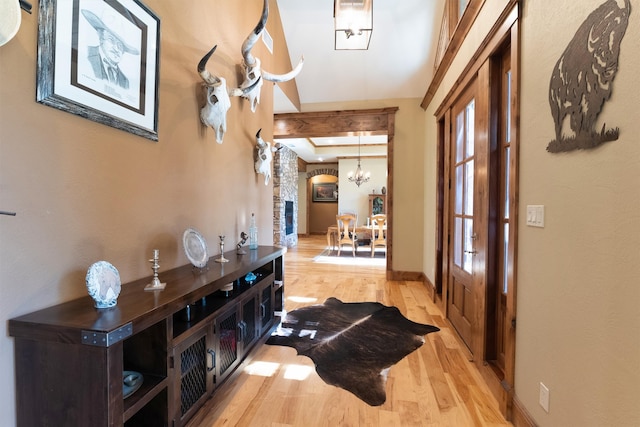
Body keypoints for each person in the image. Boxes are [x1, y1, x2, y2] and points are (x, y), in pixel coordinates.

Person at [81, 9, 139, 89]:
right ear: (101, 38)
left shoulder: (125, 81)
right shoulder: (84, 56)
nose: (116, 48)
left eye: (120, 45)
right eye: (111, 40)